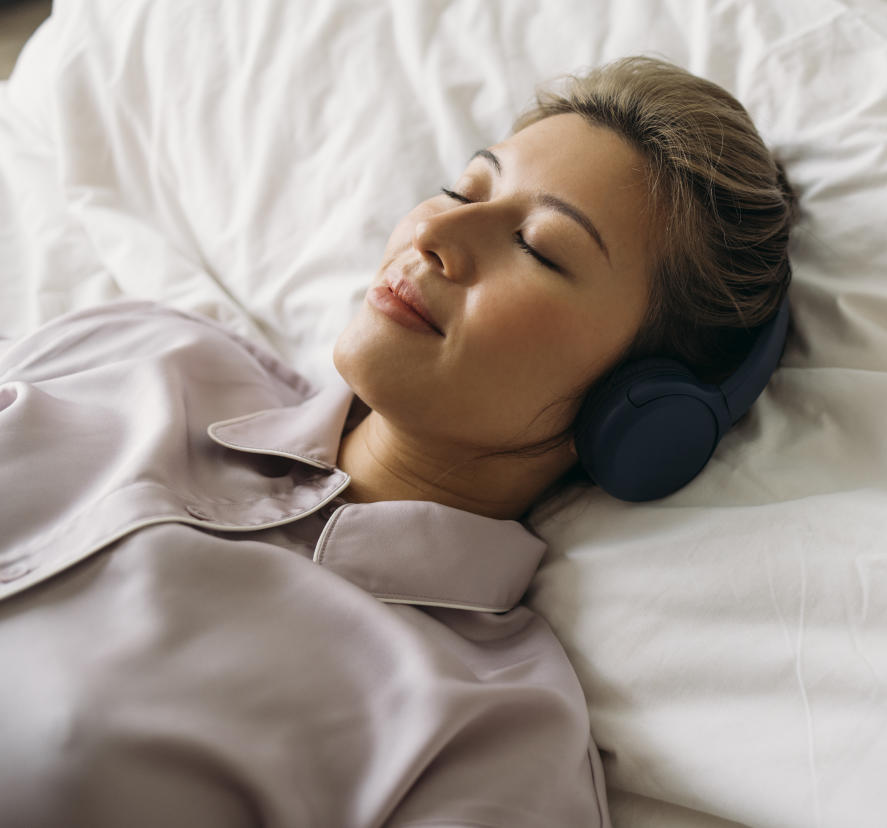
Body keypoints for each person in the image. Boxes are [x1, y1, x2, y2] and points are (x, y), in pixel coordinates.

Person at [0, 56, 795, 827]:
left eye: (538, 247)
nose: (440, 232)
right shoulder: (140, 352)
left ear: (641, 408)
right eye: (462, 188)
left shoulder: (485, 742)